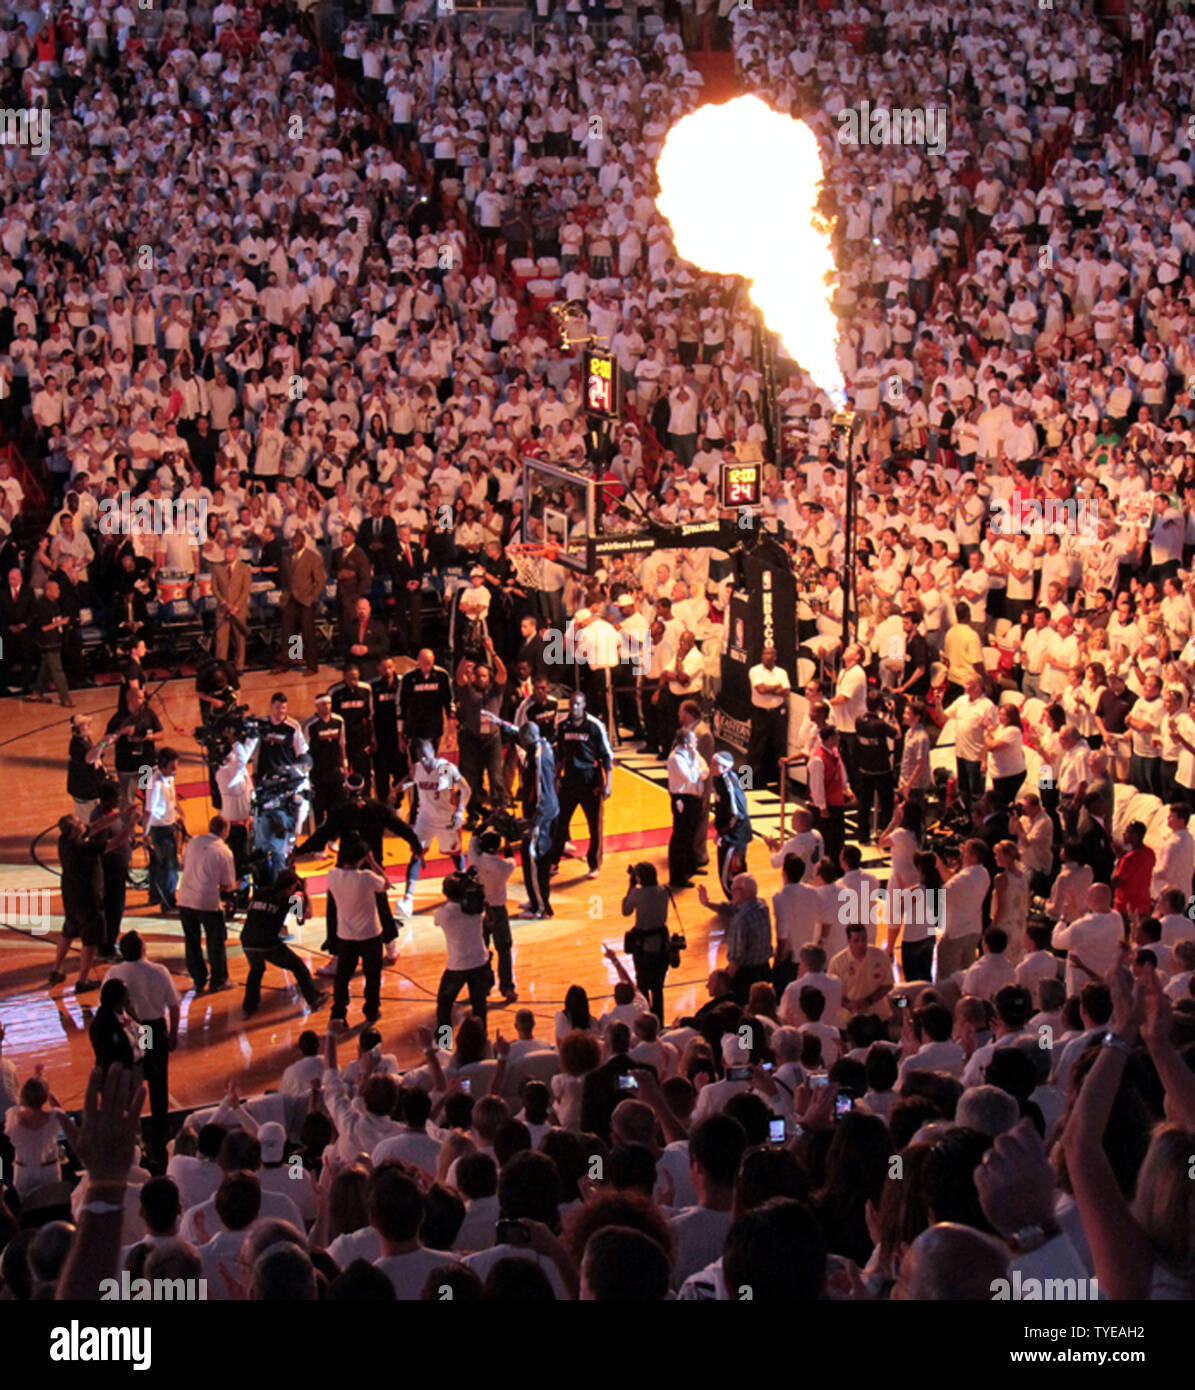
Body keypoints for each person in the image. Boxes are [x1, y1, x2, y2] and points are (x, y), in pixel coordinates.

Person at [106, 931, 180, 1164]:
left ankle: (134, 1132)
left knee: (134, 1079)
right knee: (158, 1080)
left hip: (132, 1030)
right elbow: (174, 1006)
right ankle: (161, 1130)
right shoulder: (159, 971)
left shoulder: (114, 972)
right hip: (153, 1029)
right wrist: (174, 1033)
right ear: (143, 949)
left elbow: (104, 1003)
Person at [48, 808, 135, 992]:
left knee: (69, 931)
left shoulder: (65, 841)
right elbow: (115, 842)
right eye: (78, 822)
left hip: (71, 896)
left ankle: (56, 969)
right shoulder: (84, 848)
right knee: (89, 941)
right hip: (88, 899)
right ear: (74, 830)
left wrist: (118, 815)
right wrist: (132, 823)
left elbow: (94, 826)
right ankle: (83, 981)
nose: (82, 823)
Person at [241, 869, 328, 1018]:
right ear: (293, 886)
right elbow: (305, 917)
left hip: (247, 940)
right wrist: (304, 892)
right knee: (299, 967)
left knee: (256, 969)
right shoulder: (289, 899)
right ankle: (313, 999)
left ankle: (249, 1006)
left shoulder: (261, 892)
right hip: (267, 943)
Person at [398, 738, 470, 917]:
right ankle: (407, 898)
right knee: (416, 854)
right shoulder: (417, 768)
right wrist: (398, 789)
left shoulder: (445, 767)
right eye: (419, 756)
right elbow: (412, 780)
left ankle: (464, 889)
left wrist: (460, 811)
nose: (423, 759)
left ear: (433, 752)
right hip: (425, 819)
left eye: (425, 755)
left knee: (456, 855)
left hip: (446, 819)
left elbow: (466, 789)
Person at [551, 691, 614, 878]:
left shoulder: (595, 726)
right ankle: (553, 862)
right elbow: (559, 757)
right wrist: (556, 779)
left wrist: (608, 784)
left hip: (591, 781)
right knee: (560, 823)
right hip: (569, 780)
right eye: (572, 705)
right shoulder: (563, 726)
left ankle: (594, 864)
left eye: (578, 704)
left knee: (594, 826)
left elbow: (607, 756)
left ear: (584, 704)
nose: (575, 708)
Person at [327, 836, 387, 1028]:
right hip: (370, 934)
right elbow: (386, 884)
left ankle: (338, 1013)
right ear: (362, 858)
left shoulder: (332, 875)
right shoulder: (367, 878)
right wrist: (373, 862)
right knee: (372, 975)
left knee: (343, 976)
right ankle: (371, 1010)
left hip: (345, 934)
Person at [177, 815, 237, 995]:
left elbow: (183, 864)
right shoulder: (224, 852)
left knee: (192, 940)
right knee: (216, 941)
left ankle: (198, 978)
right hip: (207, 902)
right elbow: (228, 885)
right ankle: (219, 980)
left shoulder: (194, 842)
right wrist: (238, 885)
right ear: (225, 831)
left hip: (185, 899)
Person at [698, 874, 771, 1003]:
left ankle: (745, 1025)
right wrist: (707, 903)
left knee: (744, 1013)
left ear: (746, 892)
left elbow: (736, 959)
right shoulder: (761, 905)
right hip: (764, 969)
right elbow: (730, 908)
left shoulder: (741, 921)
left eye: (735, 889)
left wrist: (725, 986)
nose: (731, 891)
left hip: (746, 976)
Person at [433, 871, 492, 1030]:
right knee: (480, 1007)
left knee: (444, 1005)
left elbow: (436, 920)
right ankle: (481, 1040)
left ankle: (444, 1044)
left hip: (457, 966)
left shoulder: (443, 914)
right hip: (480, 962)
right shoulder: (476, 910)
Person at [467, 828, 518, 1002]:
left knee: (482, 950)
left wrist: (484, 824)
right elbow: (511, 857)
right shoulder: (504, 867)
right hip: (498, 911)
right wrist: (508, 841)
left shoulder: (475, 861)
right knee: (504, 949)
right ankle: (507, 987)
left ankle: (484, 985)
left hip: (479, 911)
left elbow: (473, 839)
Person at [622, 862, 673, 1021]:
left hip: (643, 947)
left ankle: (646, 1022)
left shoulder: (638, 893)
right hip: (662, 945)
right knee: (658, 988)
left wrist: (631, 885)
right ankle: (660, 1023)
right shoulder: (665, 890)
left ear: (639, 878)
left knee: (642, 987)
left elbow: (625, 910)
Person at [828, 923, 894, 1030]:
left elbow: (888, 984)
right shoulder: (837, 962)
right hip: (848, 1021)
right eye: (856, 940)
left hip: (878, 1017)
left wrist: (867, 1002)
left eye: (864, 939)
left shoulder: (880, 956)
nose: (861, 944)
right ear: (849, 941)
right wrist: (850, 1005)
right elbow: (831, 991)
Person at [279, 530, 325, 674]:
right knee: (289, 632)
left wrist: (312, 597)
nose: (294, 544)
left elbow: (320, 580)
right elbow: (284, 576)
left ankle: (312, 666)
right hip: (290, 598)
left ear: (303, 542)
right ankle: (291, 660)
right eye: (292, 542)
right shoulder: (286, 555)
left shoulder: (313, 558)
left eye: (297, 542)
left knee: (308, 633)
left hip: (306, 599)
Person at [667, 727, 708, 889]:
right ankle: (677, 876)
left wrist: (698, 771)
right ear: (686, 743)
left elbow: (705, 769)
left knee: (692, 833)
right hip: (682, 800)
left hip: (694, 799)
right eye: (693, 739)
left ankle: (690, 867)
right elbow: (691, 777)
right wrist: (698, 772)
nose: (696, 741)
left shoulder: (694, 754)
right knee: (681, 836)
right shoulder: (676, 758)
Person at [143, 747, 182, 913]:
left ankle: (155, 896)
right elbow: (148, 811)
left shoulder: (168, 778)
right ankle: (168, 903)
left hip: (167, 826)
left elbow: (173, 798)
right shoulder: (155, 783)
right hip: (160, 829)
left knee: (158, 865)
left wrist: (180, 812)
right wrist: (145, 834)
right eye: (173, 765)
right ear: (164, 764)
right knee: (169, 867)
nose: (176, 769)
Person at [746, 645, 791, 788]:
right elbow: (760, 689)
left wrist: (769, 689)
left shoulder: (782, 672)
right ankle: (746, 780)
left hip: (777, 713)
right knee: (755, 747)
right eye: (765, 653)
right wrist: (776, 686)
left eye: (770, 654)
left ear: (775, 657)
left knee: (779, 746)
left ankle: (780, 780)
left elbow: (786, 692)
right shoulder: (755, 670)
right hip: (760, 713)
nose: (767, 656)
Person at [808, 725, 852, 867]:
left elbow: (842, 771)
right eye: (836, 736)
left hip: (837, 802)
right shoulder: (818, 759)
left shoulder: (834, 753)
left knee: (838, 839)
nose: (839, 738)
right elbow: (817, 785)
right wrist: (822, 807)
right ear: (830, 738)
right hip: (827, 806)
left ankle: (837, 866)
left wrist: (847, 789)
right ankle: (825, 868)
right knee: (826, 840)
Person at [710, 751, 752, 900]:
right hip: (730, 832)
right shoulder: (719, 779)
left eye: (715, 763)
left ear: (724, 766)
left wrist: (721, 832)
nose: (712, 766)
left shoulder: (730, 784)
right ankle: (738, 901)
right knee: (728, 870)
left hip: (735, 835)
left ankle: (738, 901)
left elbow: (737, 814)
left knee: (731, 871)